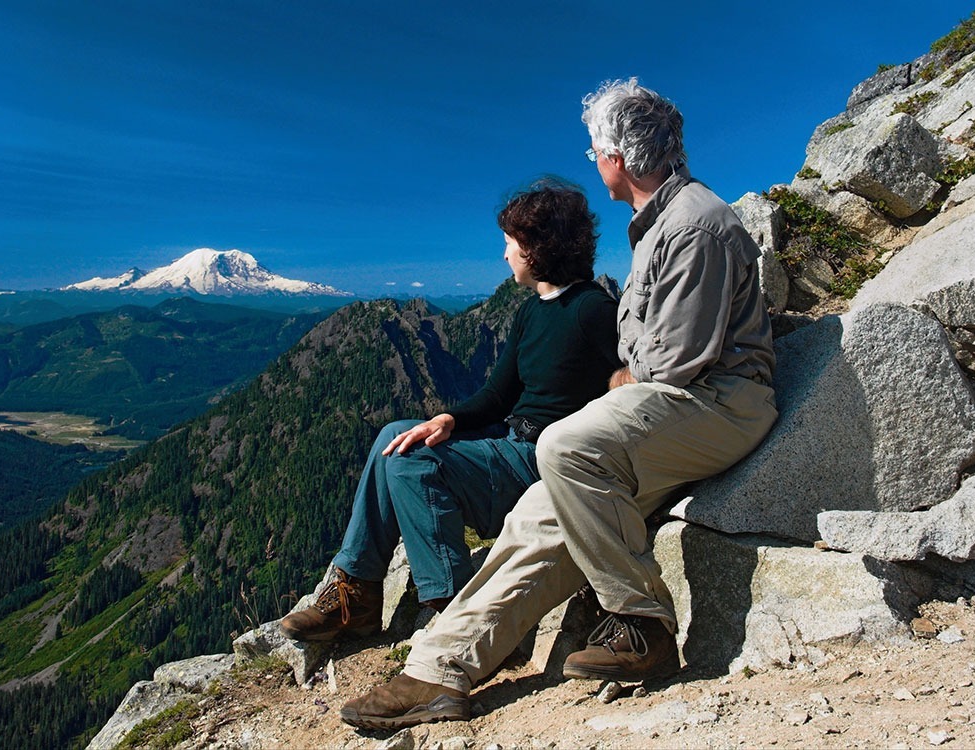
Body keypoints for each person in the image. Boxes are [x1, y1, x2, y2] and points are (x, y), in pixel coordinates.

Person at [340, 78, 778, 730]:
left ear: (616, 158)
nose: (592, 160)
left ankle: (640, 621)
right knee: (540, 516)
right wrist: (624, 379)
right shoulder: (659, 227)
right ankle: (437, 671)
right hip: (678, 409)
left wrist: (619, 382)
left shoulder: (696, 227)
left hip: (717, 404)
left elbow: (676, 363)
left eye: (593, 149)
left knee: (566, 445)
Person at [279, 180, 621, 643]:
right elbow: (498, 396)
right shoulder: (531, 313)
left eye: (510, 243)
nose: (504, 255)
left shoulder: (593, 310)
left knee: (411, 458)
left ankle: (459, 607)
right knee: (394, 435)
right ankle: (355, 592)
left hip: (543, 463)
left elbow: (630, 383)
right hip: (512, 446)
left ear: (538, 246)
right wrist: (449, 419)